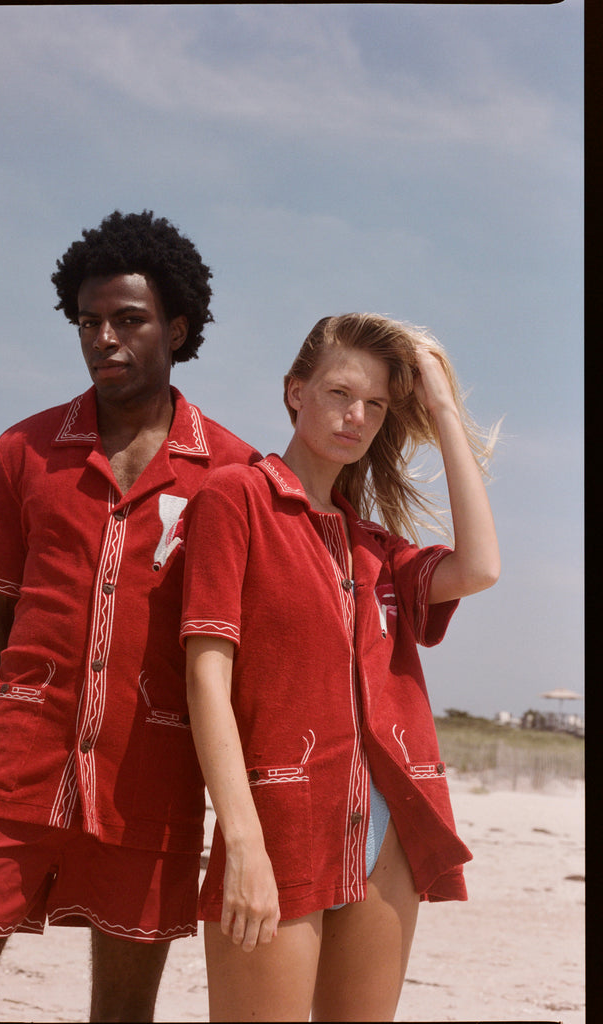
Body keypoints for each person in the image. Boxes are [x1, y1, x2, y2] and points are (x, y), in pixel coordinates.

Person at [0, 210, 260, 1023]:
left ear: (176, 328)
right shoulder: (22, 452)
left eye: (128, 321)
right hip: (5, 780)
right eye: (88, 322)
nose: (105, 338)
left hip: (152, 789)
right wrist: (26, 710)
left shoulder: (234, 474)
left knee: (124, 1015)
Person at [181, 312, 500, 1021]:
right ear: (296, 391)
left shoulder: (375, 548)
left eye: (377, 405)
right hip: (280, 822)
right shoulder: (236, 500)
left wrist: (443, 406)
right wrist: (242, 845)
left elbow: (480, 566)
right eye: (339, 393)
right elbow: (207, 679)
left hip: (391, 828)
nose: (356, 417)